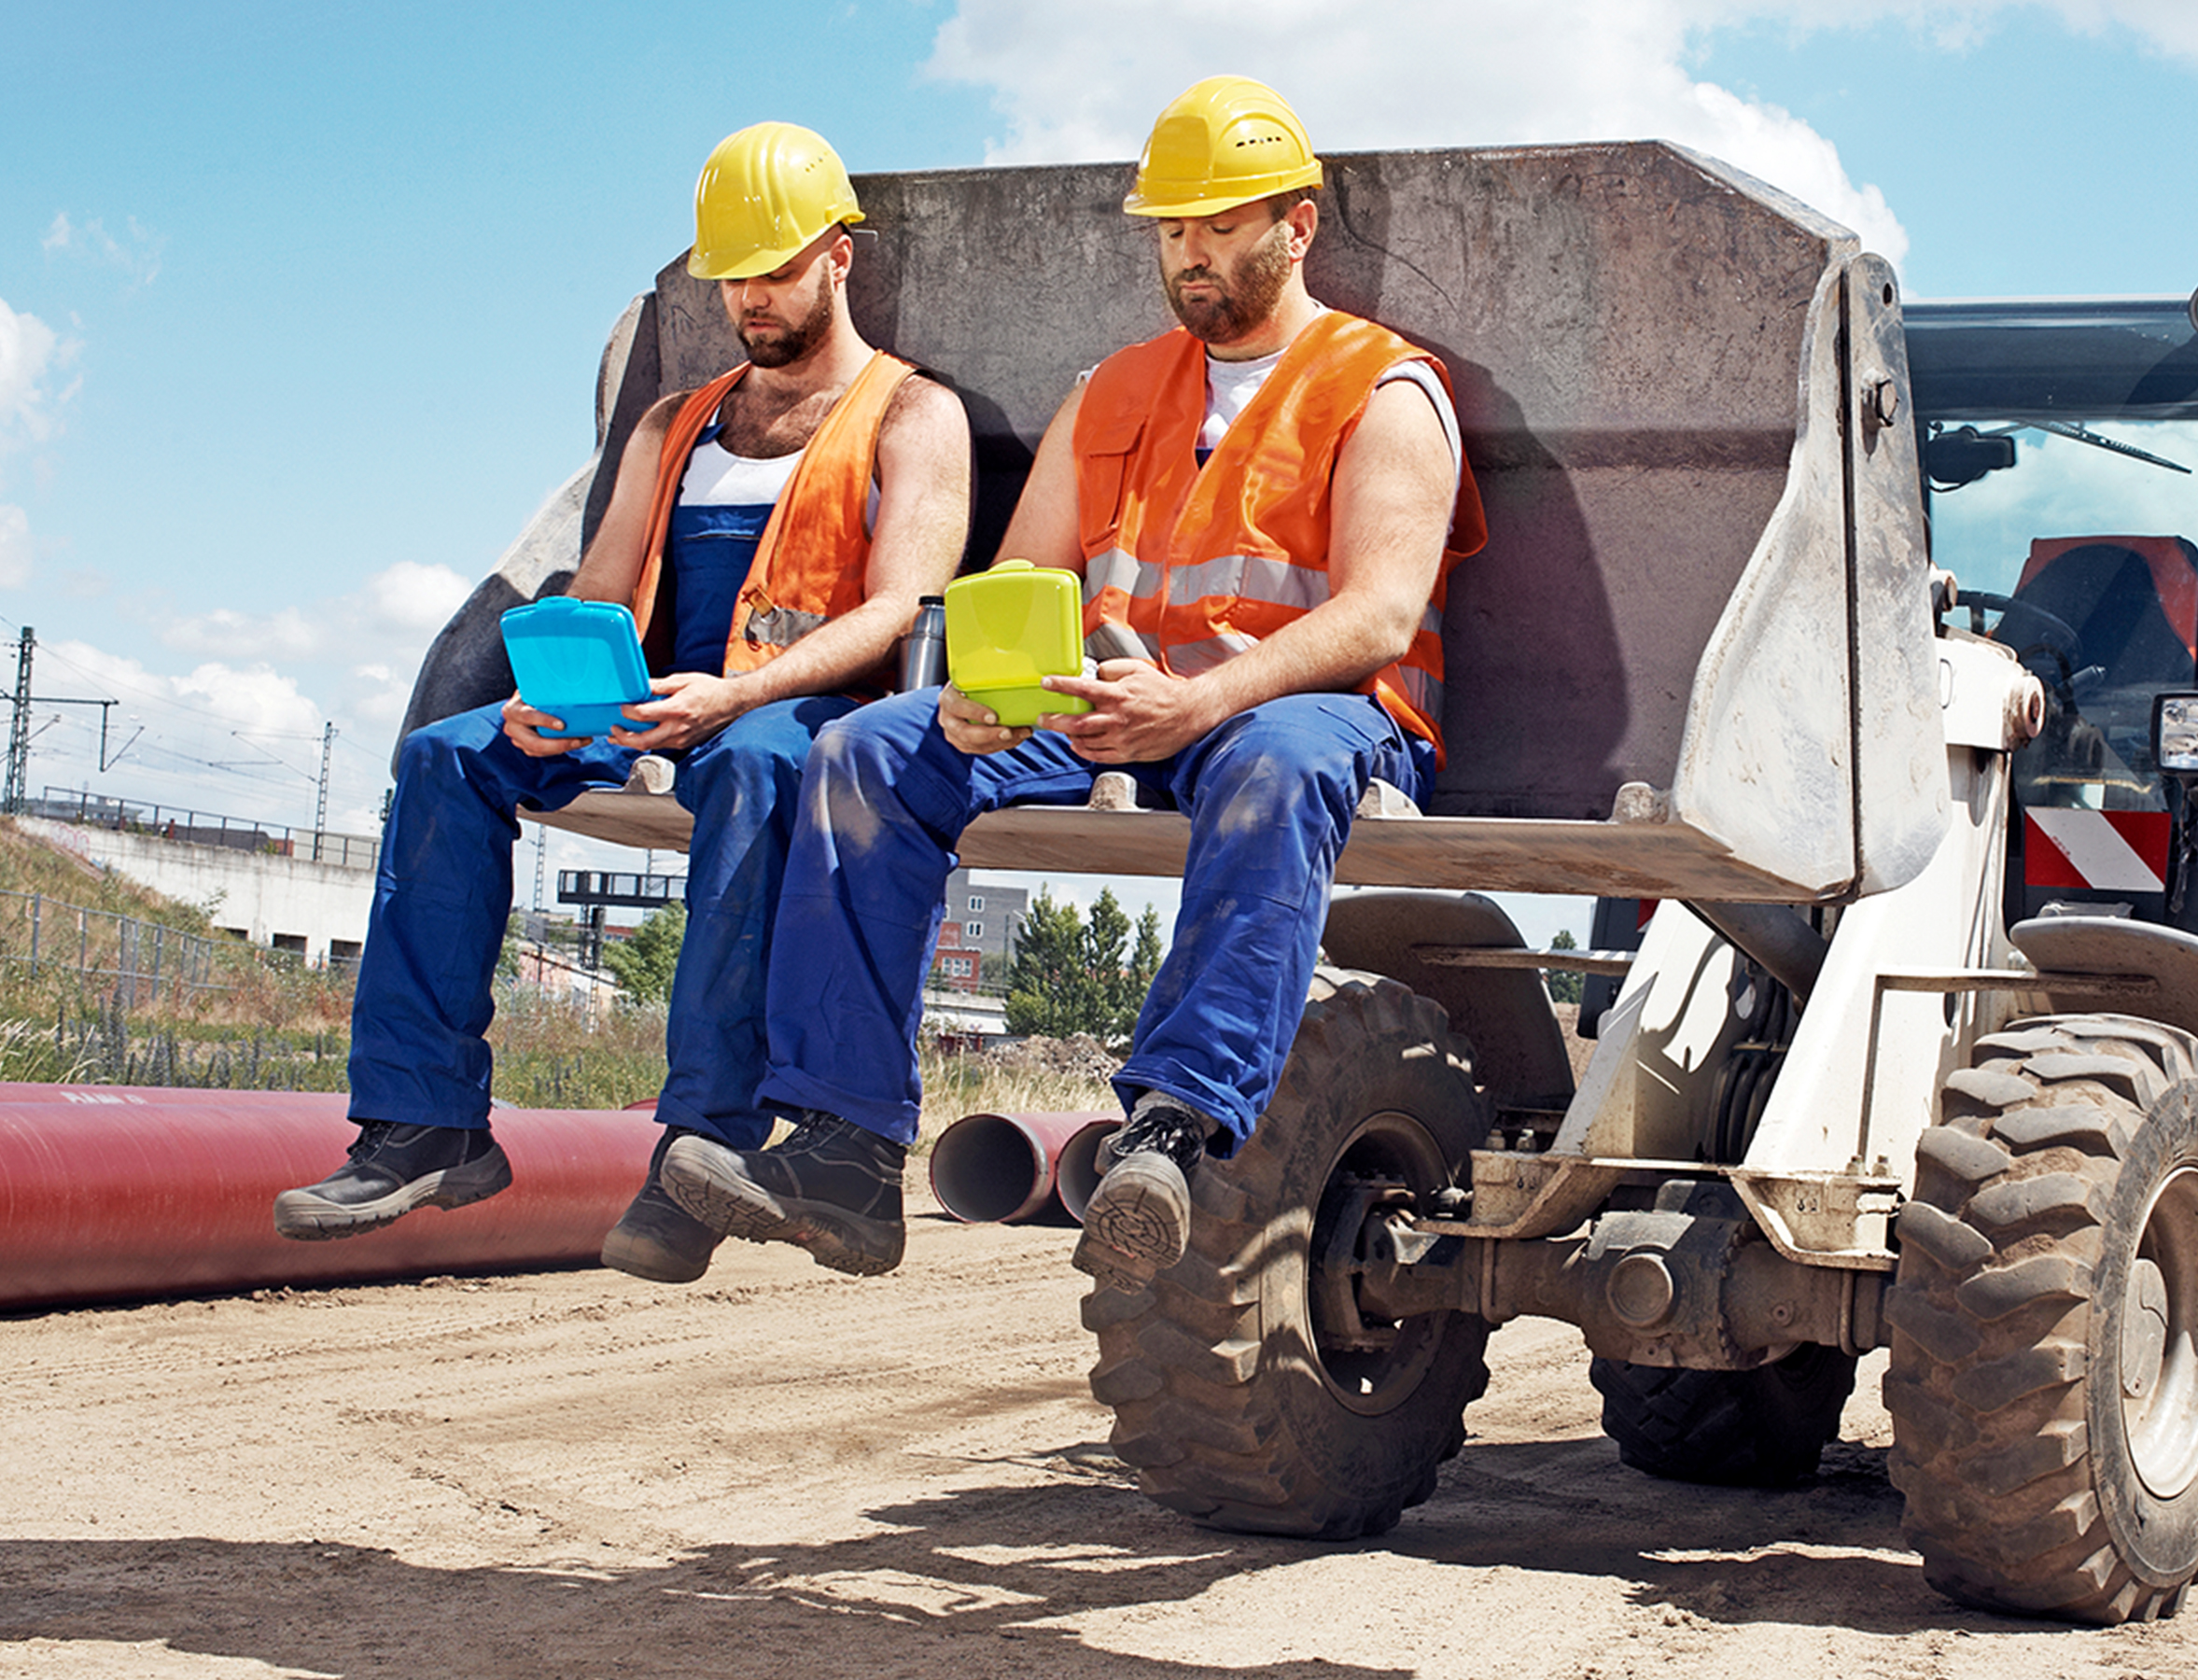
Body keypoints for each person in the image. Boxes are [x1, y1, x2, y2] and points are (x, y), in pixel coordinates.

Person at [658, 76, 1483, 1282]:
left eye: (1218, 226)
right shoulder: (1114, 389)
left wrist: (1205, 698)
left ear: (1294, 227)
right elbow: (1023, 577)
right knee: (867, 752)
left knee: (1277, 763)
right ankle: (845, 1147)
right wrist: (986, 689)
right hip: (1109, 704)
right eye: (1172, 230)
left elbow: (1379, 615)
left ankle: (1173, 1131)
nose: (1190, 255)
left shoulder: (1384, 386)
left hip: (1302, 713)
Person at [273, 122, 972, 1286]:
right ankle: (424, 1123)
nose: (750, 297)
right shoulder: (671, 425)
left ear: (837, 256)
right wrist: (544, 702)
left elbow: (903, 607)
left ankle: (700, 1144)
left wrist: (738, 693)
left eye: (774, 270)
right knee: (450, 756)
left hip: (785, 709)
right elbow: (601, 592)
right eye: (733, 276)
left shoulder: (912, 415)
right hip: (643, 703)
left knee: (757, 771)